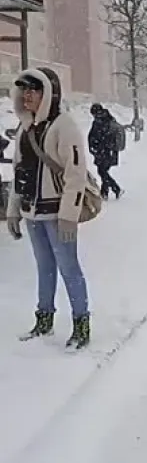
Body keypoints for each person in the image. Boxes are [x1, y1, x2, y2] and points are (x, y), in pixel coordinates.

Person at [6, 67, 91, 348]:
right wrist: (13, 210)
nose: (27, 95)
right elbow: (20, 170)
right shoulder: (26, 127)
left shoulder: (63, 125)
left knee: (69, 267)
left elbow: (75, 172)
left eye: (34, 89)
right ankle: (44, 320)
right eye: (23, 90)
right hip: (33, 211)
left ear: (49, 93)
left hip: (56, 213)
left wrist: (69, 215)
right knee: (45, 267)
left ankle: (81, 324)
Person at [88, 102, 122, 199]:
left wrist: (95, 148)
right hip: (110, 151)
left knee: (102, 171)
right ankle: (104, 193)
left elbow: (96, 136)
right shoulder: (109, 118)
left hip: (103, 151)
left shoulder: (99, 121)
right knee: (104, 171)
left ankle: (116, 188)